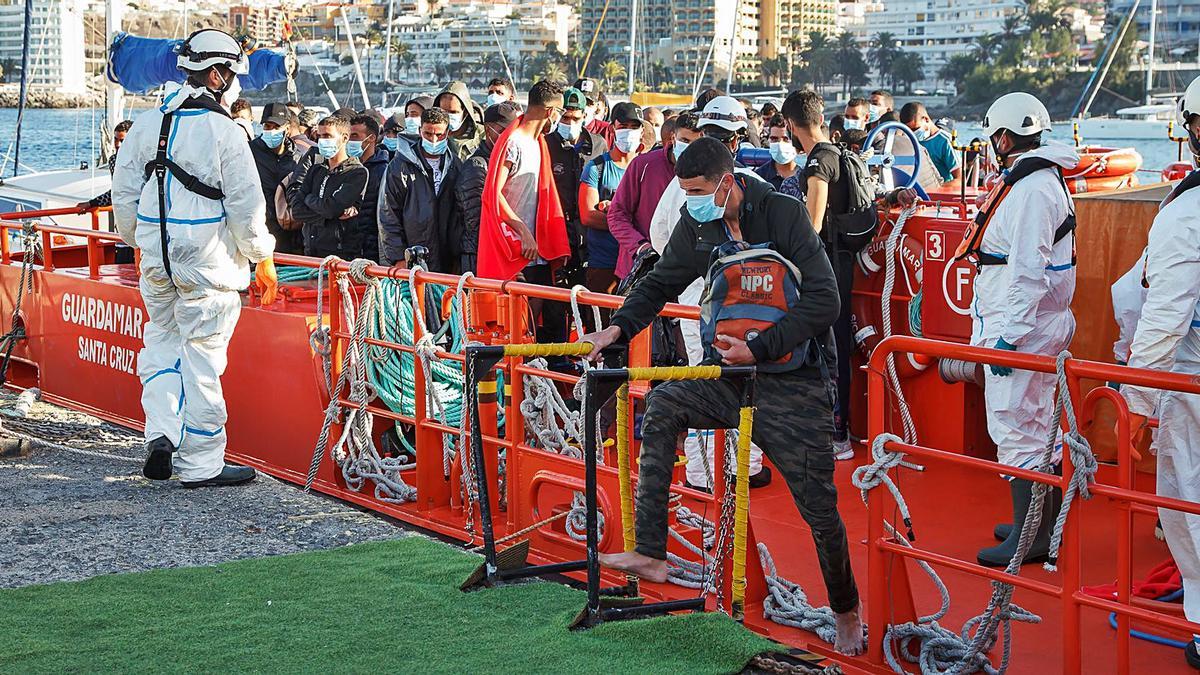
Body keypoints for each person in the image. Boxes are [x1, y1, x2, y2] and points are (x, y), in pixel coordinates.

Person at [582, 137, 864, 656]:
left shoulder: (783, 215)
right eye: (684, 190)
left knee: (819, 510)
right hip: (729, 375)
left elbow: (826, 299)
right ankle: (651, 552)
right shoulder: (698, 224)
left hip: (791, 380)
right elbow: (661, 281)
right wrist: (617, 329)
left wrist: (761, 348)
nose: (688, 200)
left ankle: (846, 607)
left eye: (695, 190)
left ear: (726, 182)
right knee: (665, 403)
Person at [110, 28, 276, 489]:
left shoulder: (146, 124)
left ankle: (161, 433)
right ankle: (202, 463)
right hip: (208, 264)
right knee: (202, 358)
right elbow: (247, 208)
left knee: (160, 343)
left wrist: (141, 241)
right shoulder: (225, 131)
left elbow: (124, 200)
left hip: (155, 261)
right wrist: (261, 255)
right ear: (219, 75)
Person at [957, 92, 1078, 567]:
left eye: (993, 138)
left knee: (1013, 427)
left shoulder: (1030, 189)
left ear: (1004, 137)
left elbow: (1030, 268)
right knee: (1033, 425)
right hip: (1033, 321)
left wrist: (1009, 337)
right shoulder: (1041, 181)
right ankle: (1039, 526)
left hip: (1024, 327)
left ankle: (1030, 539)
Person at [646, 112, 771, 490]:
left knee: (704, 378)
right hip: (740, 304)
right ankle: (740, 467)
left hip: (693, 301)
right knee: (744, 381)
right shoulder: (757, 189)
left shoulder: (678, 187)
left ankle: (703, 472)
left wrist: (688, 269)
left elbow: (658, 237)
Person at [1121, 76, 1200, 671]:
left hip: (1190, 378)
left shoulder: (1188, 212)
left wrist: (1137, 404)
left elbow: (1163, 314)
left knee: (1188, 497)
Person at [476, 80, 571, 346]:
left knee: (531, 325)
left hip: (535, 250)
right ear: (550, 111)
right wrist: (523, 232)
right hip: (512, 249)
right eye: (560, 112)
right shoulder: (513, 143)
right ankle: (510, 382)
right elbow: (492, 196)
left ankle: (527, 379)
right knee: (511, 327)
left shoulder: (537, 142)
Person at [377, 108, 462, 271]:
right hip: (412, 256)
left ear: (448, 133)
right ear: (419, 131)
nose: (434, 140)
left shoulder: (455, 166)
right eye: (428, 134)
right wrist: (398, 256)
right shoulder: (399, 166)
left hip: (448, 257)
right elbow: (388, 213)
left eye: (440, 135)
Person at [579, 102, 647, 294]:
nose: (629, 132)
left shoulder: (647, 167)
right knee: (600, 322)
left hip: (639, 262)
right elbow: (588, 215)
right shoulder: (596, 167)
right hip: (603, 263)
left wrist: (616, 213)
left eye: (634, 127)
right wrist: (630, 222)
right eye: (623, 126)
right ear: (612, 129)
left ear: (642, 131)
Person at [546, 87, 607, 288]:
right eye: (565, 118)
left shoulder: (598, 144)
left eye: (575, 118)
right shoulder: (547, 144)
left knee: (589, 294)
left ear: (584, 117)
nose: (570, 123)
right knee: (556, 298)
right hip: (557, 229)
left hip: (589, 233)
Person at [287, 115, 368, 259]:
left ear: (344, 138)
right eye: (320, 136)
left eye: (327, 136)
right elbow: (297, 211)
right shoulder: (316, 170)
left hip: (341, 254)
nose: (322, 141)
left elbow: (332, 208)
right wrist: (326, 216)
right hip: (311, 251)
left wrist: (309, 198)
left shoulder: (357, 172)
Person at [608, 116, 679, 281]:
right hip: (638, 269)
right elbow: (616, 215)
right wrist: (641, 247)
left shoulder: (706, 169)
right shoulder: (643, 165)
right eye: (684, 139)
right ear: (672, 139)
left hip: (685, 277)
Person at [457, 101, 522, 273]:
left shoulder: (506, 162)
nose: (509, 137)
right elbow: (478, 222)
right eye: (503, 132)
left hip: (500, 251)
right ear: (488, 130)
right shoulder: (476, 167)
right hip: (479, 255)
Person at [248, 103, 302, 255]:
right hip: (259, 227)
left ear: (287, 128)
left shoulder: (297, 157)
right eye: (267, 126)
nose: (271, 131)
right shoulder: (249, 152)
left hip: (289, 230)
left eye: (275, 126)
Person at [346, 113, 390, 261]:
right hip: (348, 246)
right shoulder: (345, 167)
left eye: (354, 136)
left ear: (371, 138)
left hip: (372, 250)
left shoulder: (384, 171)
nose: (349, 141)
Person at [77, 120, 134, 211]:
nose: (118, 144)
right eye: (116, 139)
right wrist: (91, 203)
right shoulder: (114, 160)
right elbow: (117, 191)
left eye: (122, 141)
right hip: (125, 212)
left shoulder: (144, 160)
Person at [900, 101, 961, 183]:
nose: (912, 133)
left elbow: (960, 180)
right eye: (908, 130)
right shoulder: (910, 140)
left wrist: (936, 189)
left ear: (926, 119)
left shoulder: (945, 141)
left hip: (940, 190)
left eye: (915, 129)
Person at [435, 82, 485, 160]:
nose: (447, 116)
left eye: (453, 112)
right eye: (443, 111)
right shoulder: (432, 137)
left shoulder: (483, 136)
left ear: (465, 112)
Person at [754, 114, 799, 190]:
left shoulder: (807, 175)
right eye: (774, 139)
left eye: (785, 139)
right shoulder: (758, 178)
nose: (780, 144)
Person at [573, 77, 613, 147]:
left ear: (596, 106)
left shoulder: (606, 130)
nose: (584, 107)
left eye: (589, 103)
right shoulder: (563, 127)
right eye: (580, 102)